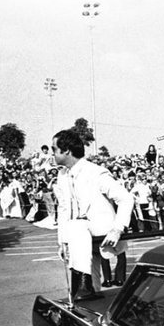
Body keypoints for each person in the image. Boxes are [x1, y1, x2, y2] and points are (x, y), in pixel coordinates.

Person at [52, 129, 134, 301]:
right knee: (92, 292)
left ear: (66, 150)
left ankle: (82, 287)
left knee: (76, 225)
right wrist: (63, 242)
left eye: (54, 149)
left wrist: (117, 230)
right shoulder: (62, 176)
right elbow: (64, 209)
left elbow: (126, 198)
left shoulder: (95, 172)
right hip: (80, 238)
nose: (52, 153)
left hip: (102, 232)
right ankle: (85, 292)